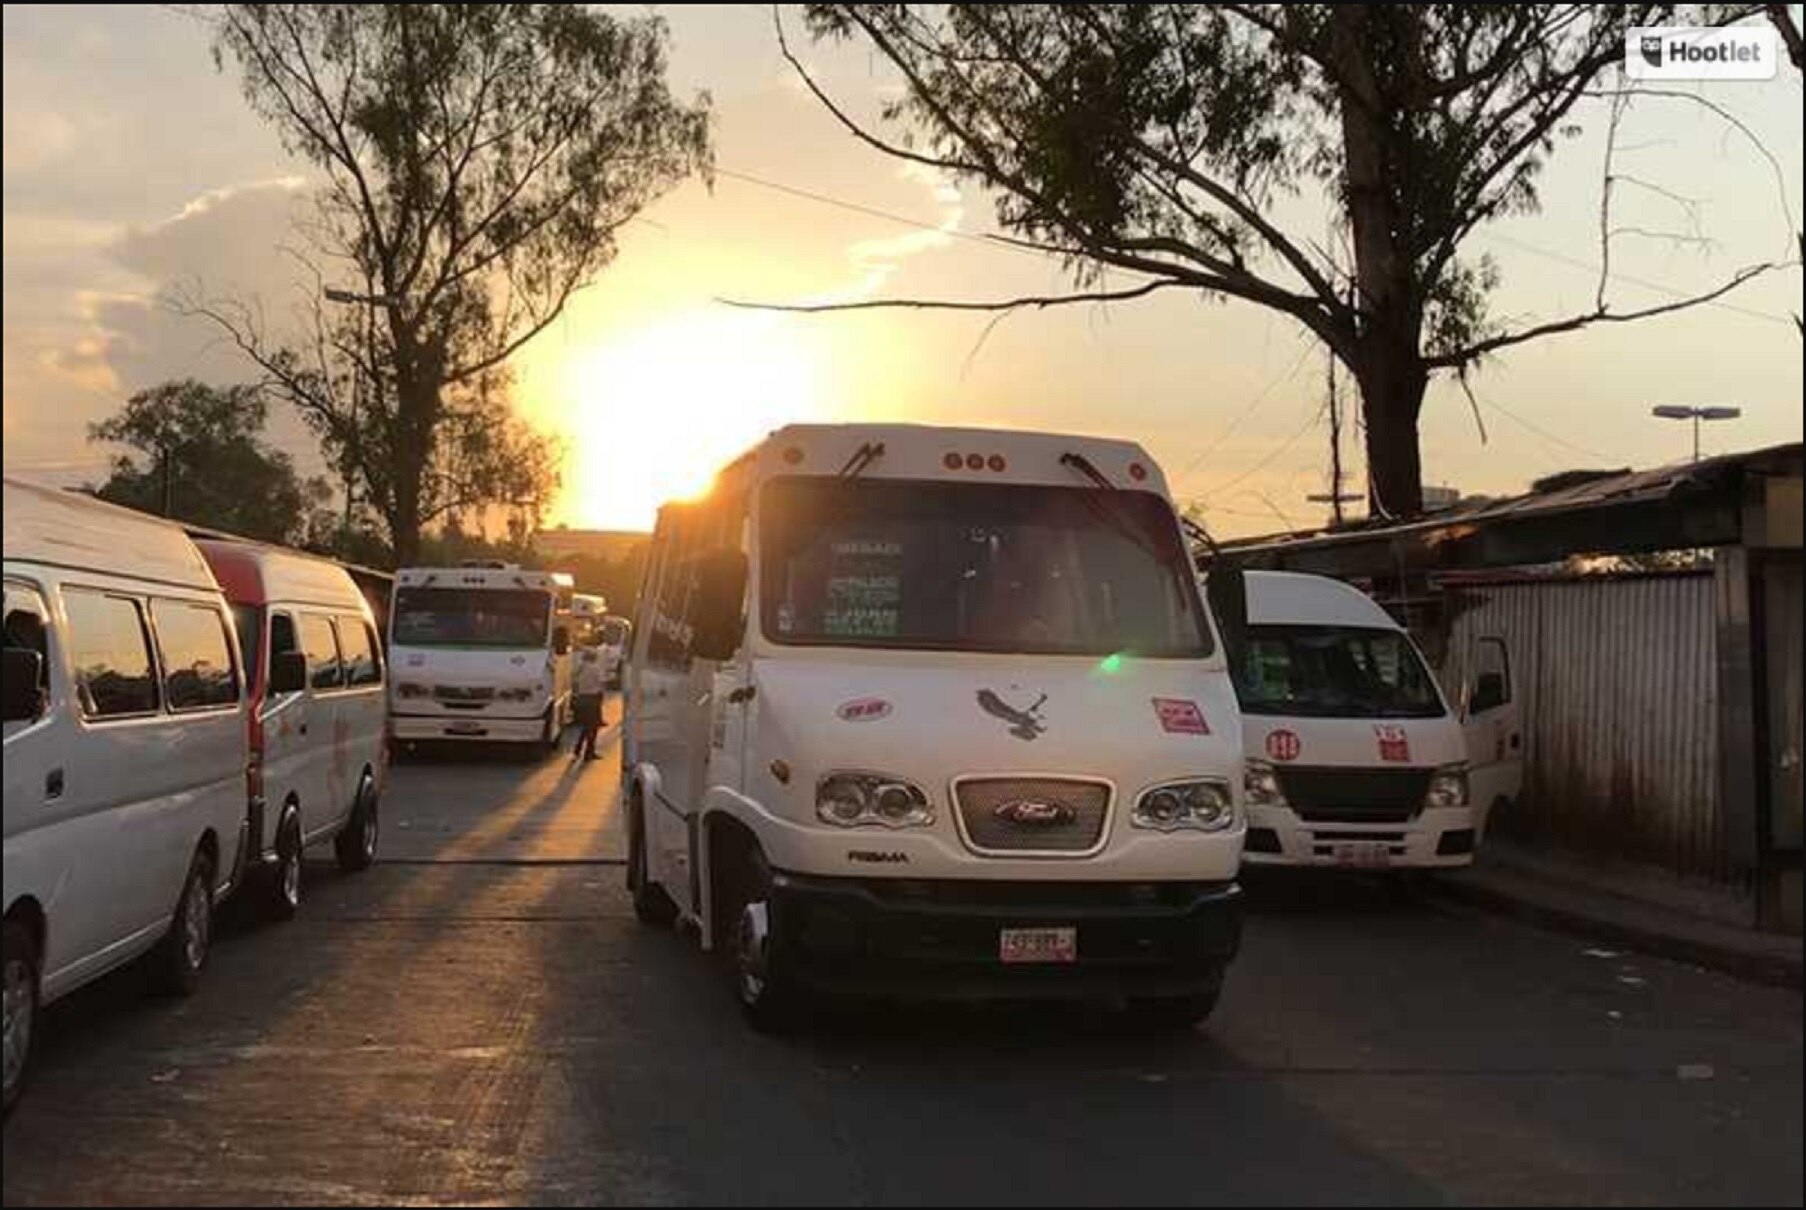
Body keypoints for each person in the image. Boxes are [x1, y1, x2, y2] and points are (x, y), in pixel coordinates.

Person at [571, 647, 608, 760]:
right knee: (593, 727)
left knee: (586, 726)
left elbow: (574, 683)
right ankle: (589, 752)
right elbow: (601, 684)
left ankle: (578, 750)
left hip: (582, 698)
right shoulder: (595, 669)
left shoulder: (579, 669)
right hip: (593, 699)